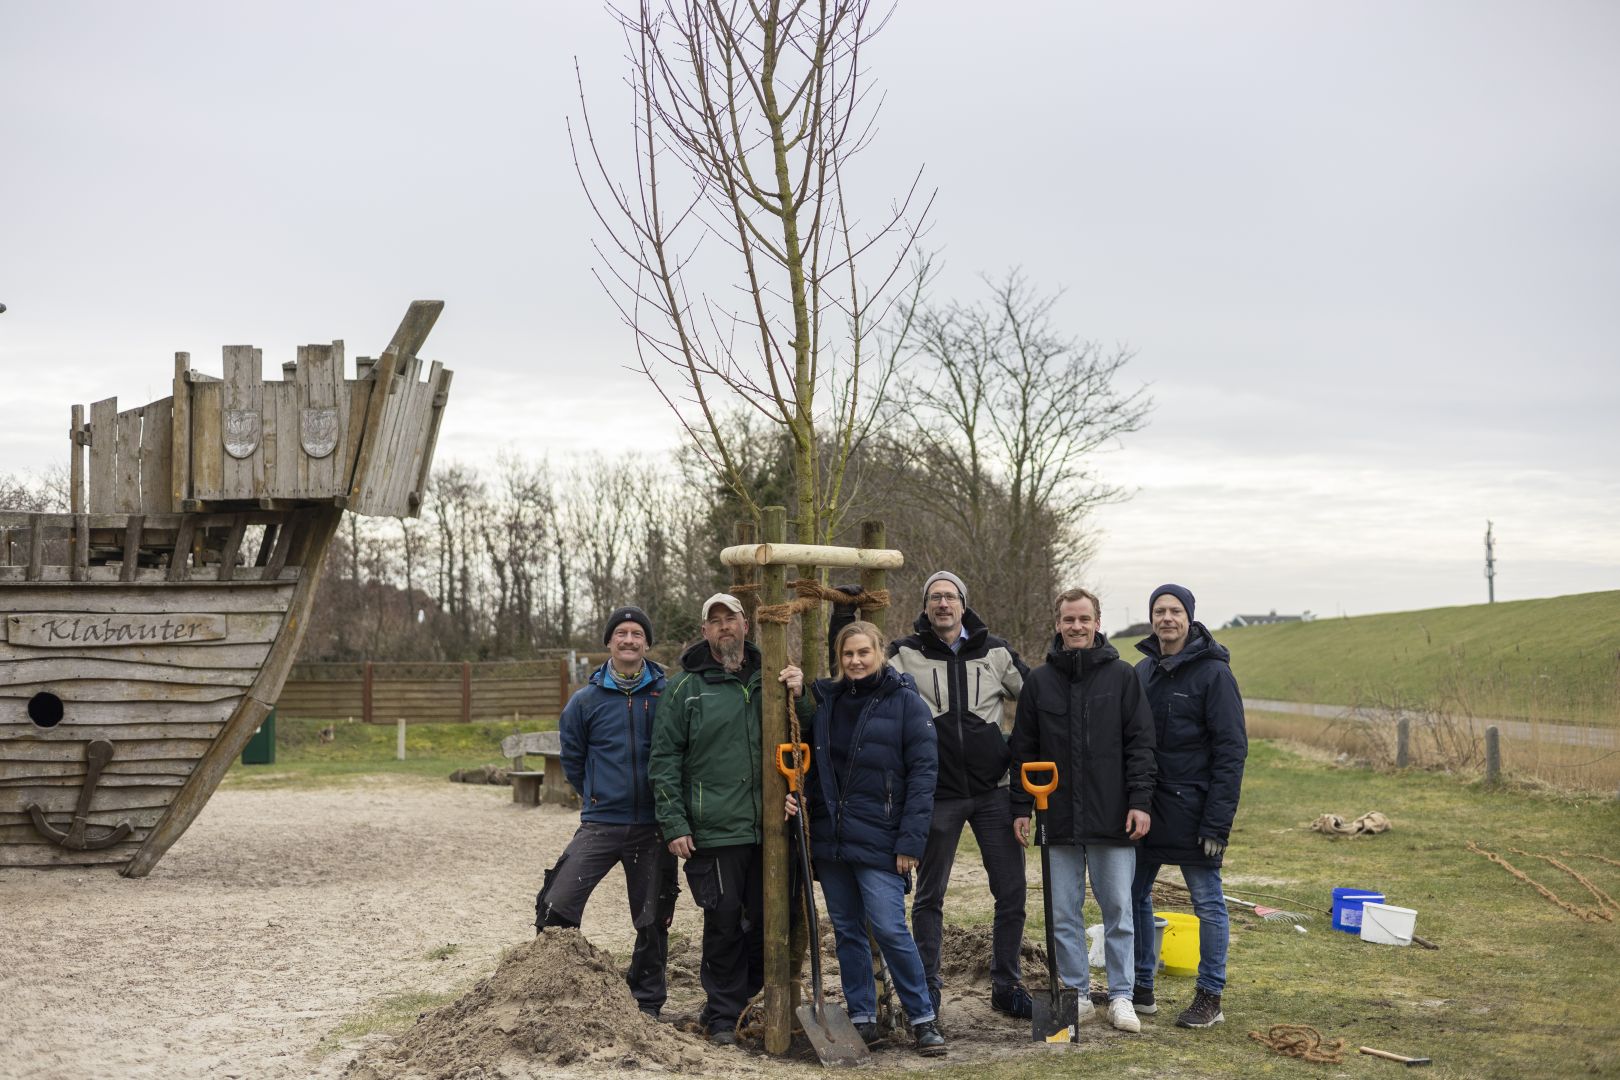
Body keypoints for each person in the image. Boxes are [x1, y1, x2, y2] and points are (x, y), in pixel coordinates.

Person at [647, 593, 803, 1046]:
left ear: (746, 626)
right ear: (704, 632)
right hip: (714, 830)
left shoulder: (771, 675)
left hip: (771, 827)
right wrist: (675, 823)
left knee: (770, 918)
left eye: (730, 619)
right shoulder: (684, 689)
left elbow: (805, 728)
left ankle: (748, 999)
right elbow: (663, 760)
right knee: (723, 920)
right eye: (713, 622)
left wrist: (802, 691)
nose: (723, 627)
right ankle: (722, 1016)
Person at [786, 620, 946, 1056]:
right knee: (847, 932)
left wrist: (910, 843)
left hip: (882, 840)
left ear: (880, 654)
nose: (855, 661)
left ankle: (923, 1018)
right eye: (847, 655)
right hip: (833, 840)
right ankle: (862, 1018)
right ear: (839, 660)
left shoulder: (906, 704)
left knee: (890, 928)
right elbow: (817, 771)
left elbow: (923, 777)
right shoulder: (829, 702)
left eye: (863, 653)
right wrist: (800, 802)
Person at [883, 571, 1032, 1022]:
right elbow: (868, 688)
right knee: (930, 895)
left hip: (994, 792)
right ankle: (928, 988)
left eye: (950, 597)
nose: (943, 604)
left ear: (964, 605)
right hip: (936, 793)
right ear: (925, 606)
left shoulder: (995, 651)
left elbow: (1038, 698)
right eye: (935, 598)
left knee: (1011, 892)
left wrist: (1013, 748)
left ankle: (1006, 984)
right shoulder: (904, 654)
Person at [1009, 587, 1156, 1033]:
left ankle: (1121, 996)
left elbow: (1141, 745)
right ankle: (1074, 993)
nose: (1076, 627)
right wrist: (1021, 806)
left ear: (1097, 622)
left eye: (1084, 619)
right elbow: (1023, 749)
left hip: (1113, 815)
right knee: (1064, 913)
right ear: (1058, 624)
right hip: (1057, 816)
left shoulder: (1122, 677)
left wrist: (1140, 802)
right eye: (1068, 620)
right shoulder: (1039, 681)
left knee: (1118, 909)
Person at [536, 605, 679, 1019]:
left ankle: (646, 1000)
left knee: (652, 916)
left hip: (653, 824)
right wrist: (595, 795)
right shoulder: (586, 701)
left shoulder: (666, 694)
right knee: (557, 903)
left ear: (647, 643)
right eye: (622, 633)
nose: (629, 640)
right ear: (609, 643)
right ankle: (561, 988)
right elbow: (573, 757)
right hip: (602, 821)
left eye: (637, 633)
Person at [1130, 584, 1248, 1029]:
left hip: (1196, 812)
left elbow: (1232, 750)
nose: (1166, 619)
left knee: (1208, 903)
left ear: (1189, 617)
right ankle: (1142, 986)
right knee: (1134, 895)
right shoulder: (1142, 671)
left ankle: (1209, 996)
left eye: (1175, 611)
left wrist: (1217, 824)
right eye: (1159, 611)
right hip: (1145, 809)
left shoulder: (1214, 675)